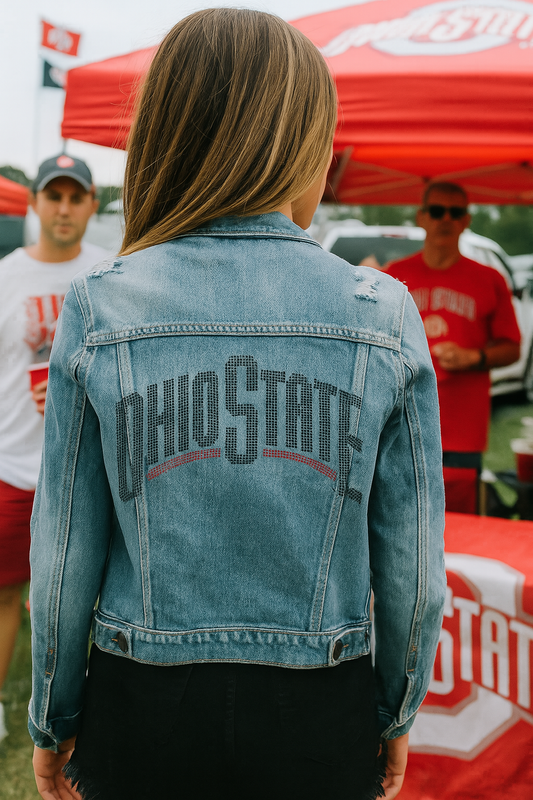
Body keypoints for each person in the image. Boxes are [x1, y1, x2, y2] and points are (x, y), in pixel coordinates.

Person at [29, 10, 446, 800]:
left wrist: (54, 715)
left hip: (140, 704)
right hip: (321, 708)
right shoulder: (380, 312)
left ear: (166, 137)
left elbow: (62, 554)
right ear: (301, 148)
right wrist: (391, 712)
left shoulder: (103, 307)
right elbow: (415, 570)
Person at [0, 154, 105, 743]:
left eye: (76, 197)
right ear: (37, 204)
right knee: (6, 590)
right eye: (54, 197)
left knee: (87, 594)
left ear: (92, 204)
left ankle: (84, 705)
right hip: (15, 463)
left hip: (87, 468)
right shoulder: (8, 276)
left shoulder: (107, 274)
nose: (64, 209)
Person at [387, 182, 520, 514]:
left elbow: (512, 349)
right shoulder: (395, 277)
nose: (445, 219)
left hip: (462, 431)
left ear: (466, 220)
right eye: (436, 211)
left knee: (460, 529)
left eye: (455, 212)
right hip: (403, 422)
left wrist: (473, 358)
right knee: (400, 522)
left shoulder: (489, 279)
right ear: (421, 217)